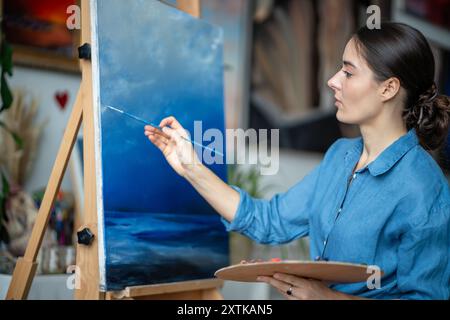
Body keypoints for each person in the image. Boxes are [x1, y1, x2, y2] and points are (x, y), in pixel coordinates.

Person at [144, 22, 450, 300]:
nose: (332, 80)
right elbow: (268, 221)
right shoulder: (340, 156)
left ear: (388, 88)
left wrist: (325, 297)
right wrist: (190, 166)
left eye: (348, 72)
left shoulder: (425, 190)